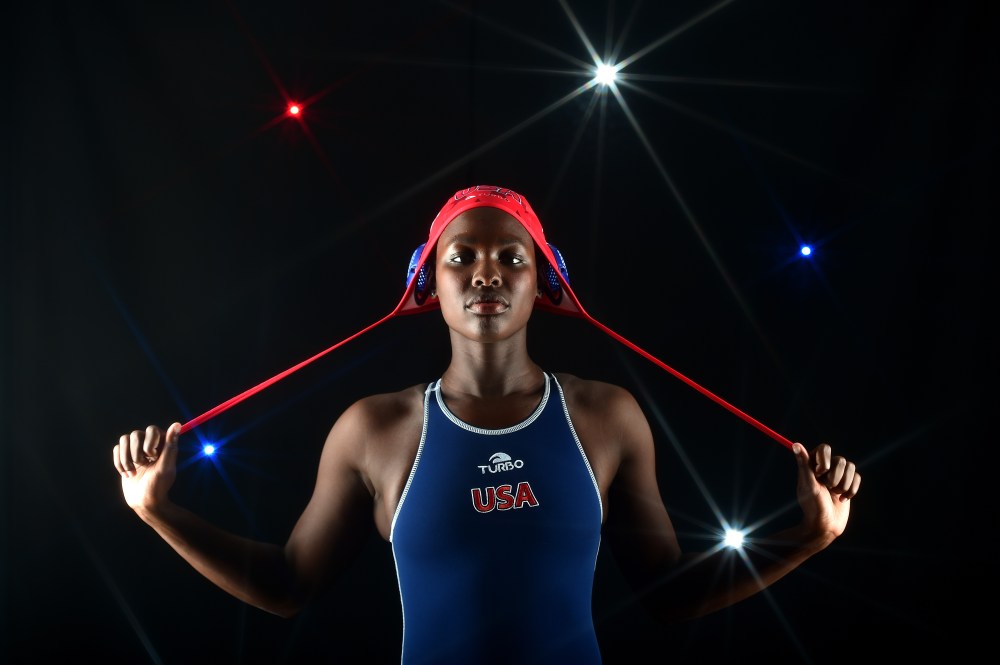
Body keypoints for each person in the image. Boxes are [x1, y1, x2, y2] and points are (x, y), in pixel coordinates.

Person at [113, 185, 861, 664]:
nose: (486, 273)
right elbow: (287, 582)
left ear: (546, 283)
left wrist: (810, 532)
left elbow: (667, 593)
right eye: (460, 257)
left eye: (513, 257)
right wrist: (158, 509)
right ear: (425, 284)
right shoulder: (373, 429)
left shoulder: (606, 417)